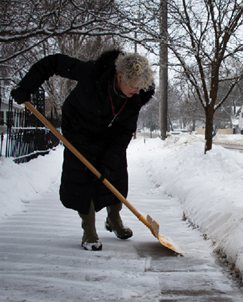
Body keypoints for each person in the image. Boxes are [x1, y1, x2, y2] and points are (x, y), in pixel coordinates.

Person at [11, 49, 155, 251]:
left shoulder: (135, 99)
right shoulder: (93, 73)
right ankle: (89, 230)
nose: (137, 91)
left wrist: (107, 163)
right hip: (78, 127)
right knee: (82, 174)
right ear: (120, 77)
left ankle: (114, 219)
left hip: (109, 132)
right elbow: (53, 62)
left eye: (141, 87)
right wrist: (26, 87)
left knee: (116, 171)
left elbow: (123, 133)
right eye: (134, 86)